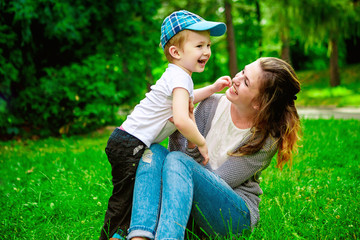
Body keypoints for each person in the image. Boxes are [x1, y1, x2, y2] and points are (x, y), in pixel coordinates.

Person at [127, 57, 301, 240]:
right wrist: (179, 124)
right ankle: (140, 236)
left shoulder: (265, 140)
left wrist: (193, 143)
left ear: (258, 102)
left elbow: (217, 181)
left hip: (232, 214)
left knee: (179, 161)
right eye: (242, 71)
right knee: (153, 152)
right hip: (191, 203)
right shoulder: (210, 104)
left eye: (246, 82)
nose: (236, 79)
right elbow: (176, 158)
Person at [100, 10, 229, 240]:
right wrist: (200, 141)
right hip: (130, 144)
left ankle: (126, 233)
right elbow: (181, 119)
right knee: (125, 199)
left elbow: (187, 98)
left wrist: (211, 89)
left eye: (208, 45)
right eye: (199, 46)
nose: (207, 51)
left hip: (128, 141)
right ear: (175, 51)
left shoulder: (179, 76)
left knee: (134, 196)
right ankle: (112, 235)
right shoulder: (180, 78)